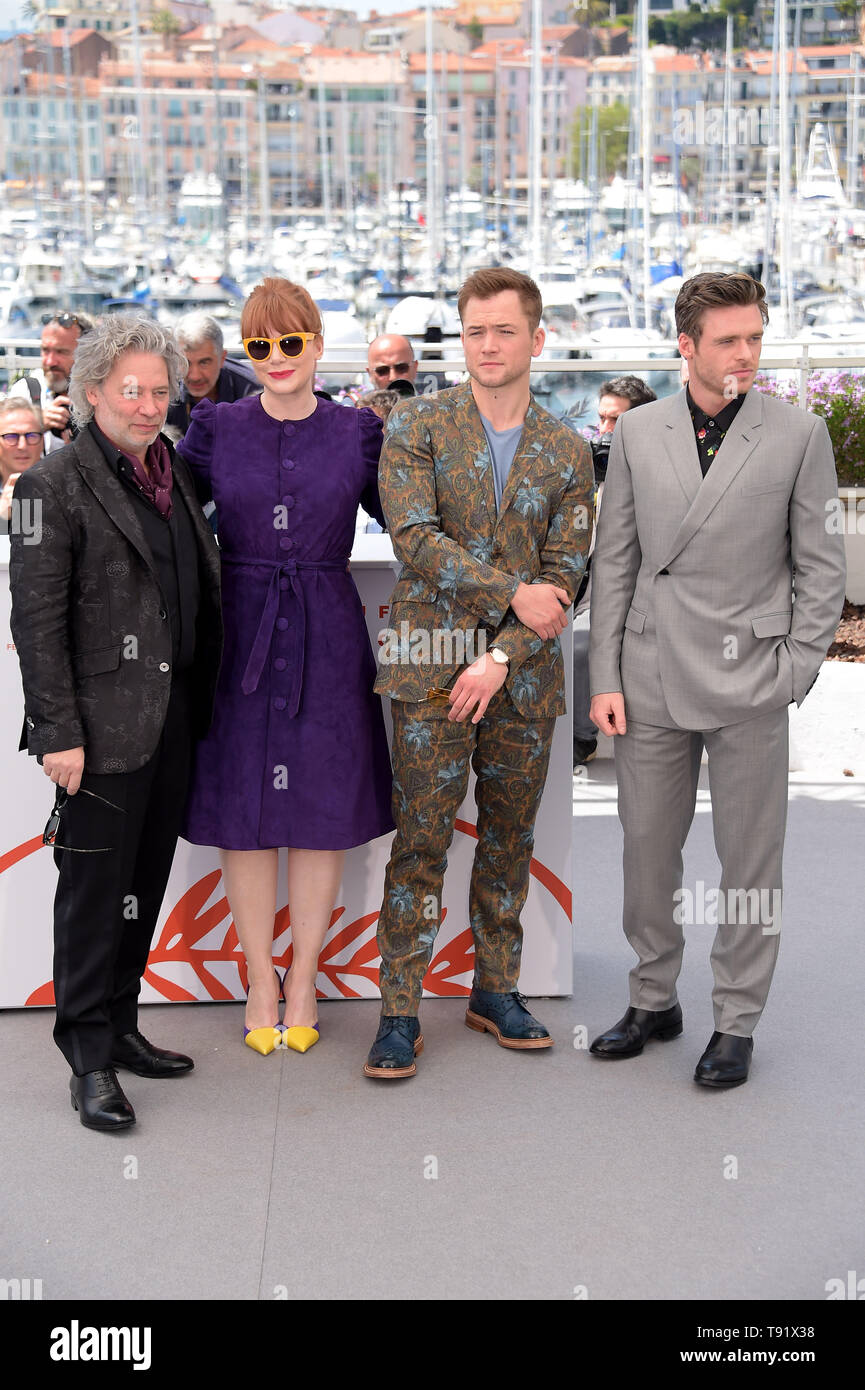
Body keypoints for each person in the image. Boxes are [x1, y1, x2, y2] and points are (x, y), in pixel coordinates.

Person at [588, 272, 846, 1088]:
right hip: (650, 672)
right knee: (645, 855)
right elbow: (615, 560)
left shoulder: (798, 435)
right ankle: (653, 997)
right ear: (685, 345)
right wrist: (605, 675)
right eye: (728, 340)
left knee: (748, 867)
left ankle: (735, 1018)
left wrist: (793, 672)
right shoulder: (636, 433)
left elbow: (820, 567)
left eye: (755, 338)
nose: (745, 354)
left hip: (751, 681)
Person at [364, 266, 594, 1080]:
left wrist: (498, 656)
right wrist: (512, 597)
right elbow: (416, 541)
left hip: (521, 682)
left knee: (508, 840)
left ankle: (494, 989)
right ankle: (398, 1008)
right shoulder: (417, 425)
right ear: (459, 339)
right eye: (474, 331)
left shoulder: (567, 448)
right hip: (428, 668)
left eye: (503, 331)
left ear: (537, 339)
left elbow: (566, 575)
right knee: (421, 840)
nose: (488, 345)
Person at [8, 314, 223, 1131]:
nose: (145, 405)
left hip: (170, 721)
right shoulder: (48, 487)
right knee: (94, 899)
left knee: (142, 888)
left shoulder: (173, 473)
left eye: (159, 391)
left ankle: (124, 1026)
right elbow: (36, 619)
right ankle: (88, 1059)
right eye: (130, 390)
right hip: (94, 732)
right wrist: (58, 731)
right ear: (92, 391)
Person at [177, 278, 393, 1057]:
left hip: (328, 636)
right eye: (259, 345)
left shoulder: (357, 432)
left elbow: (410, 517)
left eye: (290, 343)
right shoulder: (213, 427)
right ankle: (258, 978)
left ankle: (302, 977)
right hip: (237, 634)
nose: (275, 358)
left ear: (316, 345)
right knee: (244, 815)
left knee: (319, 817)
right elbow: (162, 511)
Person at [573, 376, 656, 770]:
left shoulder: (656, 471)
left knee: (580, 638)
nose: (604, 432)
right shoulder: (589, 470)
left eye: (615, 422)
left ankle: (578, 741)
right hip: (579, 584)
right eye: (601, 420)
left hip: (629, 593)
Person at [7, 310, 93, 453]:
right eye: (45, 350)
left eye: (61, 352)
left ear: (86, 355)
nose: (50, 361)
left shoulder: (101, 395)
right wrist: (35, 424)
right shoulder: (27, 390)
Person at [167, 312, 260, 435]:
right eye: (186, 363)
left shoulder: (255, 394)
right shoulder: (162, 391)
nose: (195, 376)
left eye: (204, 362)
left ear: (222, 358)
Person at [0, 396, 44, 528]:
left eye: (31, 435)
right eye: (11, 437)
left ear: (42, 441)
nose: (22, 446)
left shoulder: (66, 488)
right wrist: (1, 519)